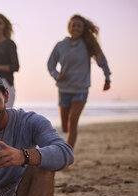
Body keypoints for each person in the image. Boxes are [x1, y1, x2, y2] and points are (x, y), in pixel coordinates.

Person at [47, 14, 112, 148]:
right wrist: (57, 75)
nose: (75, 27)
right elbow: (50, 64)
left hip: (81, 89)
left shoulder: (88, 45)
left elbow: (102, 61)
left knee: (73, 122)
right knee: (65, 127)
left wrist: (107, 78)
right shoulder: (60, 45)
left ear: (83, 29)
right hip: (64, 89)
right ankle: (66, 148)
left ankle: (67, 156)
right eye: (73, 25)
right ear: (68, 27)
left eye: (78, 25)